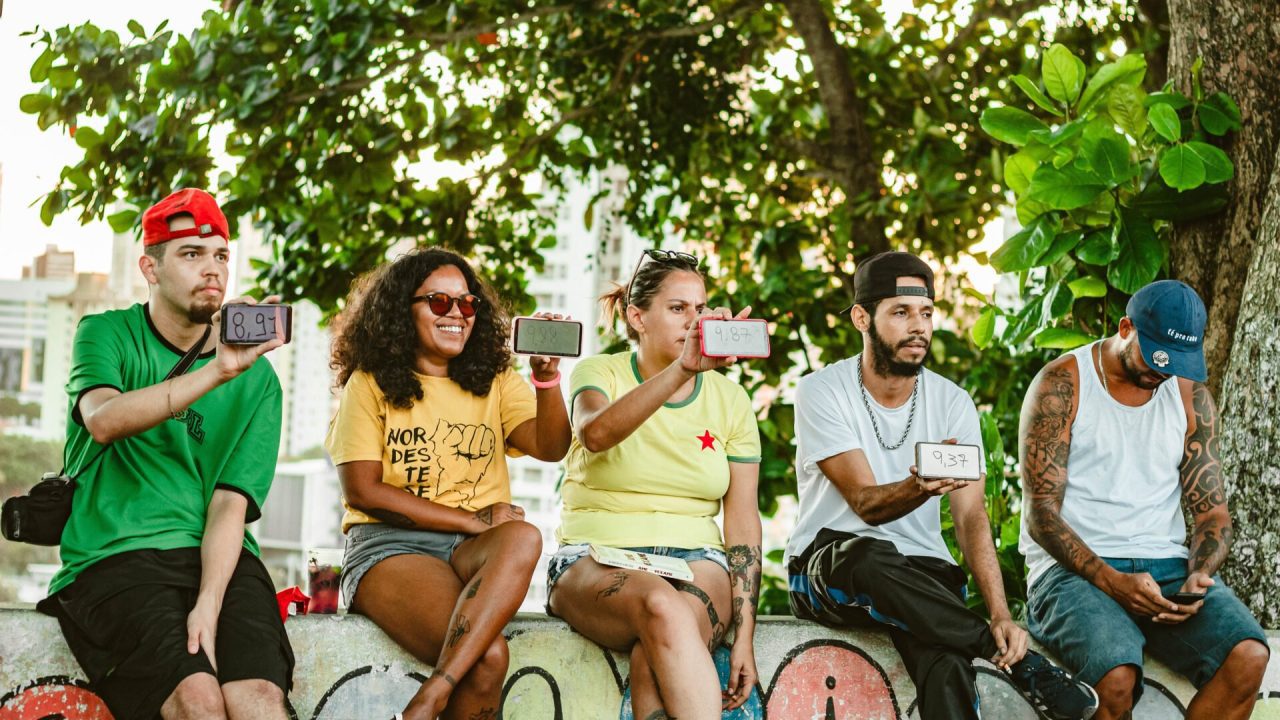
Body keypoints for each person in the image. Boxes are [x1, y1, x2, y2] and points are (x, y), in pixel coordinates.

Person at [785, 251, 1098, 720]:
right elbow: (866, 505)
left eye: (926, 313)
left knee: (947, 665)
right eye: (901, 312)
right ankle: (1022, 665)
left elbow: (971, 516)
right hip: (832, 567)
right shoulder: (821, 391)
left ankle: (981, 644)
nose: (919, 327)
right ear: (861, 317)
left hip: (921, 577)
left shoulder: (952, 402)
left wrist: (1000, 614)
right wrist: (918, 488)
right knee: (868, 555)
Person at [37, 188, 294, 720]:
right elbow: (105, 420)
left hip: (219, 560)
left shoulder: (260, 381)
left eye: (221, 255)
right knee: (195, 701)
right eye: (192, 254)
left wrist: (209, 601)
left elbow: (230, 504)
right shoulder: (105, 333)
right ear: (150, 268)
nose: (213, 269)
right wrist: (217, 370)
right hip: (115, 554)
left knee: (260, 703)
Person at [325, 247, 571, 720]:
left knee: (523, 535)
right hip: (389, 547)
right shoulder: (370, 383)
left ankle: (429, 697)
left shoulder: (495, 380)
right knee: (490, 658)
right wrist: (475, 519)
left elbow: (551, 445)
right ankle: (435, 697)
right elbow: (363, 491)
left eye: (468, 304)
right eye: (440, 302)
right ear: (404, 310)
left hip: (469, 548)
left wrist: (548, 379)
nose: (457, 313)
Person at [1020, 279, 1268, 719]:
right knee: (1114, 676)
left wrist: (1199, 574)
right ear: (1125, 328)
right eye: (1156, 358)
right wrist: (1113, 582)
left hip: (1166, 570)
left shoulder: (1190, 396)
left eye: (1176, 362)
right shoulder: (1063, 384)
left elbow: (1212, 513)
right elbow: (1041, 516)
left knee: (1247, 654)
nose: (1163, 372)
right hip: (1070, 574)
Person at [545, 249, 762, 720]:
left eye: (701, 308)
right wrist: (683, 368)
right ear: (637, 316)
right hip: (594, 555)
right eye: (678, 308)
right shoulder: (599, 372)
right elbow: (595, 433)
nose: (693, 319)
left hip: (697, 559)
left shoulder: (730, 398)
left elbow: (743, 517)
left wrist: (744, 634)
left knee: (655, 653)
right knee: (662, 606)